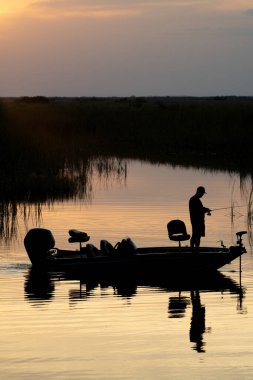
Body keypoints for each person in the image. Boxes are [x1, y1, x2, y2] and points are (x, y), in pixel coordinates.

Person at [189, 186, 211, 252]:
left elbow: (200, 209)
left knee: (196, 235)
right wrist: (205, 210)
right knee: (197, 236)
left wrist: (206, 209)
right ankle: (195, 251)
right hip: (196, 221)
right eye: (202, 193)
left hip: (197, 221)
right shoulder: (194, 200)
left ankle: (194, 250)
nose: (202, 195)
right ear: (198, 192)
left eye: (203, 194)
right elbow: (198, 210)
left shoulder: (195, 199)